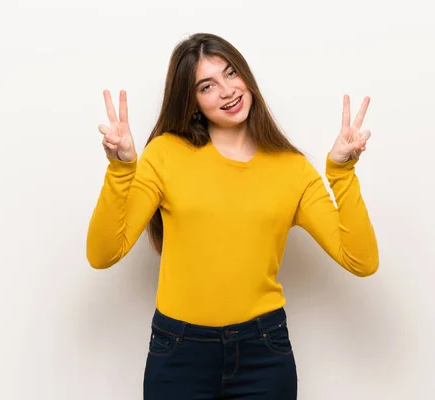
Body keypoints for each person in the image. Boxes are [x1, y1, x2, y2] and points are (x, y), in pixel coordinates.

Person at [86, 32, 379, 400]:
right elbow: (103, 254)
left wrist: (341, 173)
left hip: (264, 353)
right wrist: (121, 170)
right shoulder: (165, 155)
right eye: (207, 86)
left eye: (230, 73)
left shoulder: (292, 170)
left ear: (246, 77)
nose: (226, 91)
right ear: (191, 101)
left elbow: (361, 260)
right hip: (179, 352)